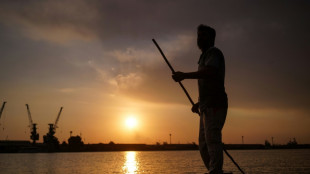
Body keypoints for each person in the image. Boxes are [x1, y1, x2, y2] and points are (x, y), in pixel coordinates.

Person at [172, 24, 228, 174]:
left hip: (216, 104)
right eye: (198, 35)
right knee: (203, 144)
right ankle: (212, 169)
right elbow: (207, 80)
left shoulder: (214, 53)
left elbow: (210, 72)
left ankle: (216, 171)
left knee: (212, 139)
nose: (199, 38)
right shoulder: (203, 57)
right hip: (206, 105)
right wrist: (199, 103)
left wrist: (184, 75)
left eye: (203, 35)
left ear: (211, 38)